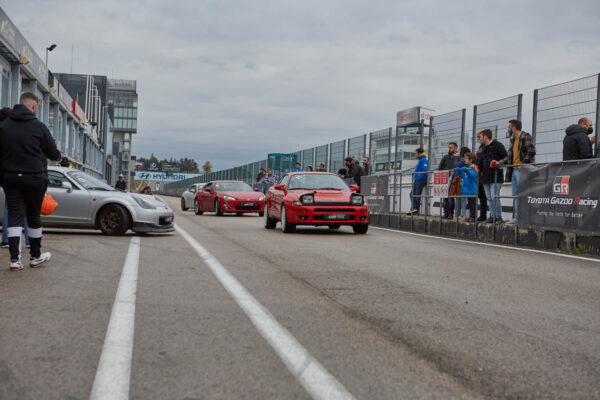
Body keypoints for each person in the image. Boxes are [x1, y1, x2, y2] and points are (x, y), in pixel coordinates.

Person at [0, 92, 61, 270]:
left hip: (10, 178)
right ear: (34, 107)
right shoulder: (39, 127)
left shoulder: (4, 127)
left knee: (14, 216)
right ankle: (35, 257)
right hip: (34, 178)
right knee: (33, 215)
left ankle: (14, 260)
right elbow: (54, 155)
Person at [496, 119, 536, 224]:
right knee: (515, 195)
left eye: (509, 127)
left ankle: (524, 218)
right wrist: (499, 162)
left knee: (523, 194)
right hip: (514, 171)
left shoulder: (525, 137)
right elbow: (509, 157)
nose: (508, 129)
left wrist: (523, 165)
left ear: (513, 127)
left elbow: (532, 151)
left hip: (521, 170)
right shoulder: (513, 140)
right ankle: (518, 217)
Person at [0, 107, 29, 249]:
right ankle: (29, 241)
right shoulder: (18, 131)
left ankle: (6, 239)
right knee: (27, 210)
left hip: (7, 177)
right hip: (23, 175)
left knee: (9, 209)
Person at [477, 129, 507, 223]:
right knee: (489, 198)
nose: (479, 139)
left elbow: (506, 157)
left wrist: (499, 162)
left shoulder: (498, 145)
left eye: (480, 137)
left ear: (485, 137)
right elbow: (480, 161)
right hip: (485, 177)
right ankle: (492, 216)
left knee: (495, 197)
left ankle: (498, 217)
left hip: (495, 176)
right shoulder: (482, 148)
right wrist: (478, 168)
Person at [454, 153, 479, 222]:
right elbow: (463, 176)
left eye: (466, 158)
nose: (465, 160)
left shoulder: (474, 167)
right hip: (467, 189)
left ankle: (473, 217)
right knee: (470, 204)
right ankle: (471, 216)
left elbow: (472, 176)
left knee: (473, 204)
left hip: (472, 189)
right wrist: (459, 171)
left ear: (471, 160)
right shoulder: (467, 167)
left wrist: (466, 170)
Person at [438, 142, 460, 219]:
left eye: (451, 147)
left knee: (451, 197)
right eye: (449, 147)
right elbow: (440, 168)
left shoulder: (458, 157)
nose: (449, 149)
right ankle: (446, 213)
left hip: (454, 179)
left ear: (455, 148)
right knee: (445, 197)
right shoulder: (445, 157)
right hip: (445, 179)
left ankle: (451, 213)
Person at [407, 148, 428, 215]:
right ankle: (413, 208)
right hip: (417, 180)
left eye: (416, 153)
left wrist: (419, 175)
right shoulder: (420, 160)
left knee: (416, 194)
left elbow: (425, 170)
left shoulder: (424, 160)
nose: (415, 155)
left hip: (420, 180)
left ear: (419, 153)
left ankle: (416, 209)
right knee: (412, 194)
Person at [475, 131, 488, 221]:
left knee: (485, 196)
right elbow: (478, 159)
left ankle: (484, 214)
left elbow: (485, 159)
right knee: (480, 195)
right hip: (479, 174)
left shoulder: (488, 147)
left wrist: (482, 169)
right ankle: (482, 215)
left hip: (484, 174)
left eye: (479, 136)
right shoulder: (480, 147)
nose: (478, 138)